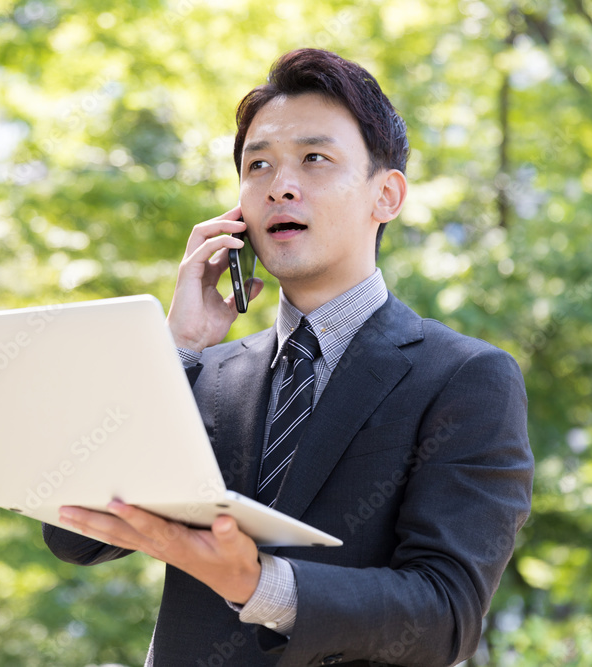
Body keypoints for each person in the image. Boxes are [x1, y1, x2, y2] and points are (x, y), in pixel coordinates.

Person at [42, 48, 533, 667]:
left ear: (386, 195)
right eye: (258, 165)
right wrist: (177, 346)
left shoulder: (463, 377)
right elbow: (73, 534)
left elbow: (445, 616)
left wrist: (258, 585)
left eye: (314, 159)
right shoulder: (199, 374)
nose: (282, 185)